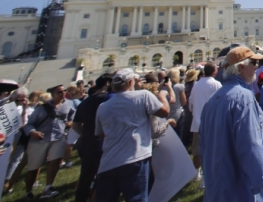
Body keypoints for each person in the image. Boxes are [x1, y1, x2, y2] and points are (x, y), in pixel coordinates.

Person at [199, 47, 263, 201]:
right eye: (253, 63)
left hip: (217, 188)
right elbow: (251, 146)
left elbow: (203, 146)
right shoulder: (243, 98)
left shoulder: (211, 101)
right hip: (241, 190)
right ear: (241, 67)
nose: (256, 67)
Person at [94, 68, 170, 202]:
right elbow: (164, 112)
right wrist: (163, 96)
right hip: (135, 157)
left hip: (109, 160)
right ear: (130, 82)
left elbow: (100, 134)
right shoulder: (142, 96)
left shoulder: (103, 107)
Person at [22, 84, 76, 199]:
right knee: (33, 167)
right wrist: (32, 132)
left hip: (58, 137)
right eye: (59, 92)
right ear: (53, 94)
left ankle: (48, 187)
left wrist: (71, 122)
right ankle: (28, 192)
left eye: (64, 91)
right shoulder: (42, 107)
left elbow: (73, 115)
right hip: (40, 139)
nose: (63, 93)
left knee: (55, 161)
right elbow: (30, 124)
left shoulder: (68, 104)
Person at [72, 73, 112, 202]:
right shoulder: (107, 99)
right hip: (102, 142)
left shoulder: (85, 101)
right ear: (107, 83)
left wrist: (86, 133)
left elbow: (76, 125)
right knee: (103, 178)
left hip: (86, 141)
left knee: (85, 176)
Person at [189, 61, 221, 184]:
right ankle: (205, 178)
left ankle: (196, 173)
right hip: (212, 122)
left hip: (197, 122)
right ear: (214, 71)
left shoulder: (196, 85)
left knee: (197, 151)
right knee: (211, 151)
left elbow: (190, 104)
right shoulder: (216, 84)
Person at [167, 67, 187, 136]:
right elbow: (184, 102)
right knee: (178, 135)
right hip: (177, 113)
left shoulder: (163, 87)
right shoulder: (180, 86)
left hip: (167, 114)